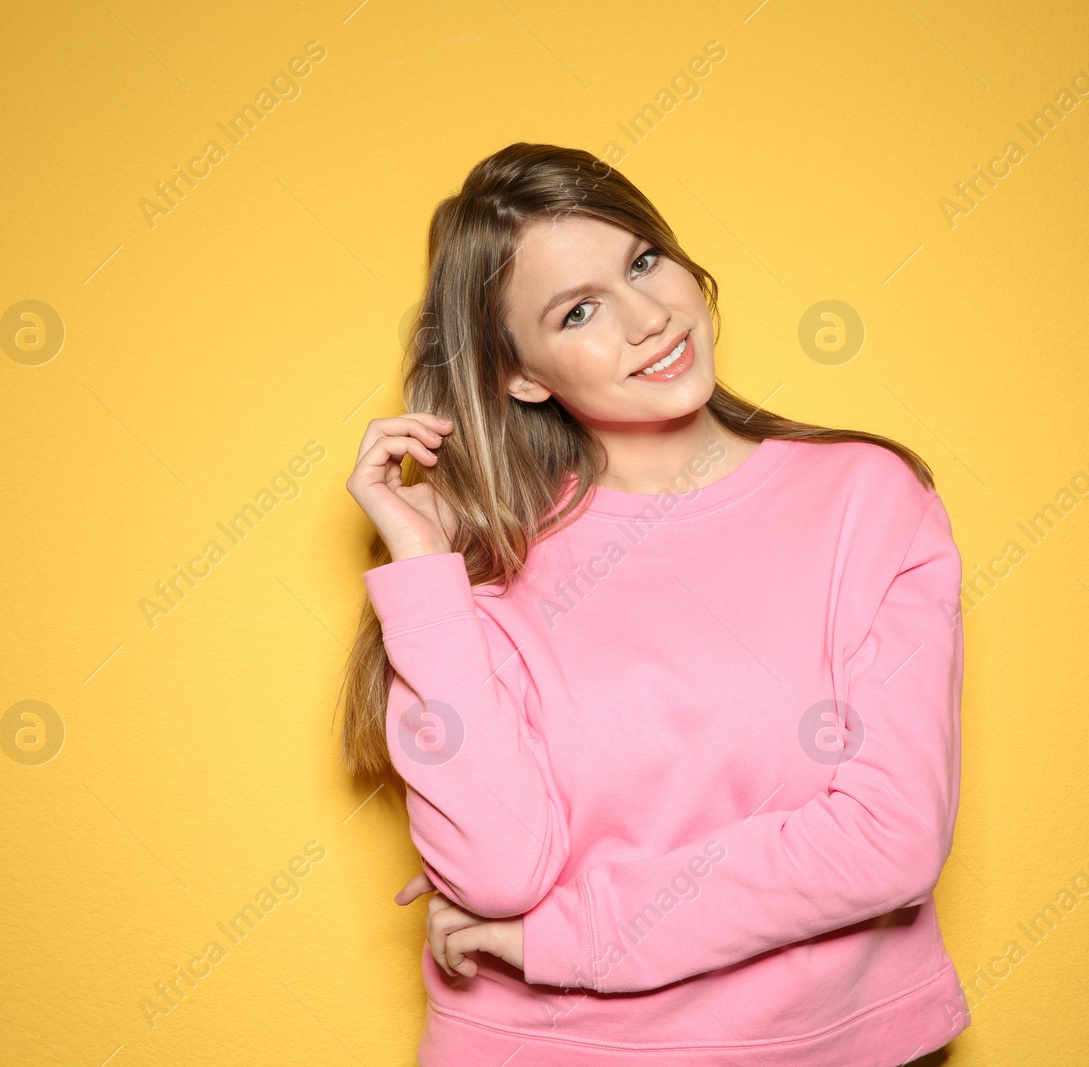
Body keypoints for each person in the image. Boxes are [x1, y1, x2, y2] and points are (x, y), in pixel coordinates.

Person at [339, 142, 970, 1066]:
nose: (646, 317)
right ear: (522, 374)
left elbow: (890, 839)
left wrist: (576, 933)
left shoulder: (867, 502)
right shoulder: (486, 565)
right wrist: (425, 565)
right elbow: (495, 870)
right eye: (580, 311)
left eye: (642, 261)